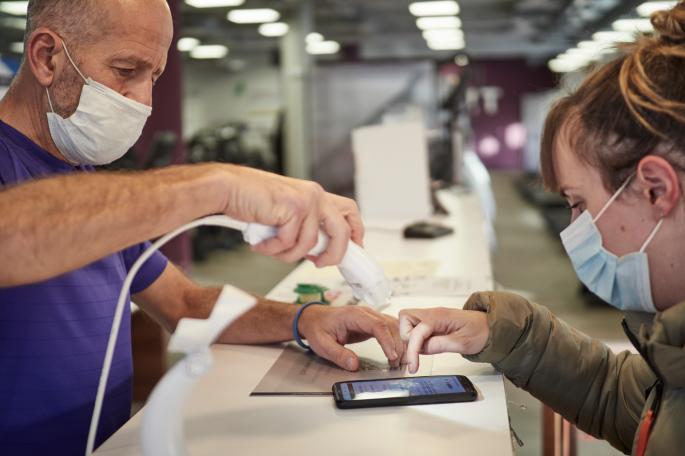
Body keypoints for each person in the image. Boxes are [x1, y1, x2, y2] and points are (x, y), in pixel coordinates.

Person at [0, 0, 403, 453]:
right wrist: (217, 186)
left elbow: (185, 302)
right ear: (46, 57)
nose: (145, 103)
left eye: (153, 77)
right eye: (125, 69)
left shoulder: (83, 180)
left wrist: (304, 319)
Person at [399, 3, 685, 456]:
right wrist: (498, 332)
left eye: (578, 203)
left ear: (655, 189)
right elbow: (619, 398)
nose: (574, 226)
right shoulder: (675, 355)